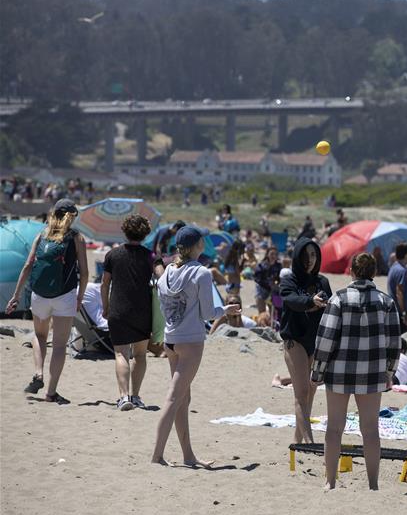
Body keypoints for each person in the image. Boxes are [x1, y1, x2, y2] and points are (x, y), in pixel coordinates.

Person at [153, 226, 240, 467]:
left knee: (182, 398)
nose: (205, 242)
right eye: (202, 239)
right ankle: (157, 455)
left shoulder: (168, 271)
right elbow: (208, 312)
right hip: (190, 340)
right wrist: (226, 310)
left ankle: (188, 455)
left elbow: (163, 304)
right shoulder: (201, 273)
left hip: (171, 339)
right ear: (196, 245)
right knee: (173, 398)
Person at [312, 253, 401, 491]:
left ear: (351, 270)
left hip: (339, 371)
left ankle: (330, 481)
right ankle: (372, 483)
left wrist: (318, 371)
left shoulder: (338, 299)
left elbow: (325, 338)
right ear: (373, 273)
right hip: (372, 372)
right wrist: (389, 372)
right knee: (370, 429)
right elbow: (395, 342)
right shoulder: (386, 301)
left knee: (334, 427)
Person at [6, 199, 88, 404]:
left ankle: (38, 373)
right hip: (64, 296)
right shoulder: (77, 237)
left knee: (40, 336)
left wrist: (16, 296)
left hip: (39, 295)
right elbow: (85, 273)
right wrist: (79, 298)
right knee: (59, 346)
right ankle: (51, 393)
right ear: (71, 216)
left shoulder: (40, 235)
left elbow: (27, 266)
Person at [280, 238, 332, 446]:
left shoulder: (322, 282)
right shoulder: (289, 281)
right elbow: (291, 300)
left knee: (310, 393)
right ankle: (310, 443)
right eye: (306, 255)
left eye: (313, 255)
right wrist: (311, 302)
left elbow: (330, 306)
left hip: (316, 342)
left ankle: (298, 442)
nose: (310, 260)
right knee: (301, 393)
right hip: (295, 342)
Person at [101, 214, 154, 411]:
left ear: (125, 230)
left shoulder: (112, 255)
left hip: (118, 310)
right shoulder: (150, 256)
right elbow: (161, 279)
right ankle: (137, 396)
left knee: (121, 354)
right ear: (145, 233)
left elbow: (105, 283)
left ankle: (123, 397)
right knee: (140, 355)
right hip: (143, 311)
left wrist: (105, 306)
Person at [388, 241, 407, 333]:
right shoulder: (401, 271)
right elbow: (399, 293)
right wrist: (404, 314)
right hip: (399, 312)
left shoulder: (394, 267)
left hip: (394, 310)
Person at [253, 247, 281, 315]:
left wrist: (276, 284)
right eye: (272, 254)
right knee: (262, 314)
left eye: (275, 254)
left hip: (274, 291)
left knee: (276, 313)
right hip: (261, 290)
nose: (273, 256)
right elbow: (257, 279)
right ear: (267, 254)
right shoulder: (261, 265)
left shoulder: (279, 266)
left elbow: (280, 279)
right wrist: (269, 284)